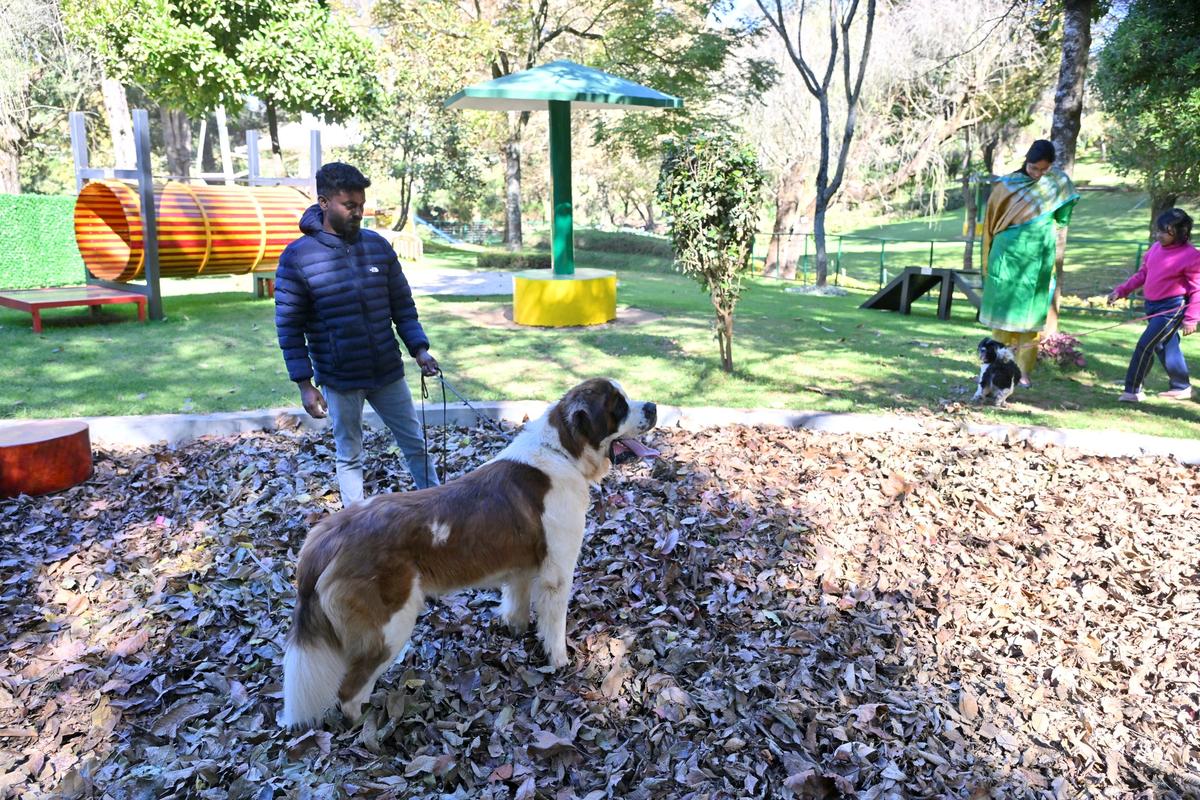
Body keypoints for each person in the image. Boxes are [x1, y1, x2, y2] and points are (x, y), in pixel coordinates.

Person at [275, 162, 441, 506]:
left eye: (361, 206)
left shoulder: (377, 246)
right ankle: (355, 527)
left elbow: (402, 306)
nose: (358, 213)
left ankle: (439, 508)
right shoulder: (297, 258)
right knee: (350, 456)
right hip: (340, 378)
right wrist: (305, 385)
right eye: (349, 206)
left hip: (387, 372)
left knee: (416, 446)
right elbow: (289, 327)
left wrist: (419, 349)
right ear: (323, 203)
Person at [978, 140, 1080, 387]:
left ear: (1050, 167)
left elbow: (1062, 219)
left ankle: (1022, 372)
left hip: (1038, 258)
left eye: (1043, 170)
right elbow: (992, 218)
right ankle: (993, 368)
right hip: (1006, 255)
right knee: (1003, 314)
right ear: (1027, 161)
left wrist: (1040, 230)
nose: (1037, 174)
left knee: (1030, 316)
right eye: (1034, 168)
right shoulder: (1007, 185)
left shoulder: (1058, 184)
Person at [1106, 208, 1200, 402]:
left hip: (1172, 308)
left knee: (1145, 345)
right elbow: (1142, 274)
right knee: (1164, 345)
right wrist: (1121, 291)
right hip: (1152, 306)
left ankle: (1132, 390)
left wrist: (1191, 318)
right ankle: (1182, 387)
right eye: (1159, 231)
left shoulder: (1192, 256)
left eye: (1165, 232)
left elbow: (1197, 289)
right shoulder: (1155, 249)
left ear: (1180, 232)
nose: (1159, 235)